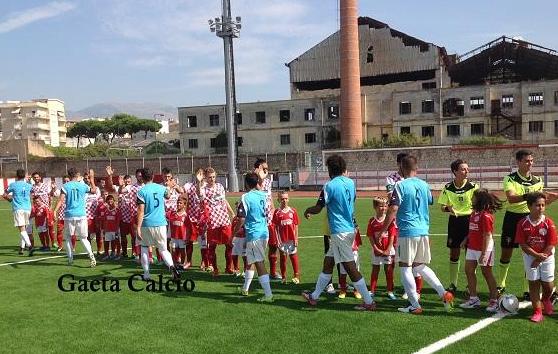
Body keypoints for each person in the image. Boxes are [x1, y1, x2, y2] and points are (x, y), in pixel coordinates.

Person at [379, 155, 453, 314]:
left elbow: (393, 209)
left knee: (405, 267)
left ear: (401, 169)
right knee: (420, 266)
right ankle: (443, 293)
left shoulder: (400, 185)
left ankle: (414, 305)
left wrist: (384, 229)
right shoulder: (424, 185)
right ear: (416, 168)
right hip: (423, 230)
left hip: (407, 231)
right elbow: (430, 201)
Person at [303, 155, 375, 311]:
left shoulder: (329, 186)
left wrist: (308, 210)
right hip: (348, 229)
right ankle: (314, 296)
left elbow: (318, 207)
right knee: (328, 262)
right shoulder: (350, 183)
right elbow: (352, 200)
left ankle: (368, 301)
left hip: (339, 232)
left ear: (330, 169)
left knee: (350, 267)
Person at [498, 150, 557, 300]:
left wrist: (551, 197)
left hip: (530, 218)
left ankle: (527, 290)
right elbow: (511, 199)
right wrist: (529, 195)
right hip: (512, 217)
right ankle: (501, 284)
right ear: (518, 162)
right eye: (526, 161)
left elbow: (540, 201)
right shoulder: (509, 179)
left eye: (531, 160)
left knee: (529, 253)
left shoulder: (537, 180)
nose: (530, 163)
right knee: (506, 252)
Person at [437, 159, 479, 294]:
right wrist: (448, 208)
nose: (467, 171)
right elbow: (442, 207)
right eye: (463, 169)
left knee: (470, 254)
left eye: (467, 169)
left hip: (470, 221)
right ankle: (453, 283)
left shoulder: (473, 187)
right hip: (455, 222)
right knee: (454, 253)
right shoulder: (448, 187)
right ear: (455, 171)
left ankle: (469, 285)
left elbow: (478, 205)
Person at [515, 192, 557, 322]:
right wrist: (535, 256)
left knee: (548, 285)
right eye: (537, 205)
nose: (541, 208)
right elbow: (523, 244)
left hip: (547, 257)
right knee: (533, 284)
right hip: (530, 257)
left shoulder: (548, 223)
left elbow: (551, 244)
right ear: (529, 206)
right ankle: (537, 311)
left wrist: (539, 258)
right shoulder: (522, 223)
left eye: (543, 205)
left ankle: (545, 299)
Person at [386, 152, 422, 299]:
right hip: (398, 222)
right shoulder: (392, 178)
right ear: (399, 164)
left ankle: (415, 291)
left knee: (414, 261)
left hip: (410, 223)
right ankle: (406, 288)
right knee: (401, 259)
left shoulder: (414, 180)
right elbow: (391, 198)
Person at [459, 189, 502, 312]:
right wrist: (465, 240)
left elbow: (487, 235)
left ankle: (494, 300)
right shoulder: (474, 213)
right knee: (468, 270)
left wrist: (484, 254)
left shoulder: (486, 216)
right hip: (472, 247)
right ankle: (473, 299)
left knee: (486, 273)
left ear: (479, 199)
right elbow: (472, 229)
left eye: (473, 196)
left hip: (484, 248)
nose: (471, 198)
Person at [235, 172, 274, 302]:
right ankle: (245, 288)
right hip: (264, 231)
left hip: (254, 233)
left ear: (246, 183)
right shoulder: (263, 194)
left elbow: (241, 219)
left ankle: (268, 295)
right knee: (251, 261)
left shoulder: (246, 197)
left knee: (258, 262)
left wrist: (234, 232)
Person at [136, 168, 180, 280]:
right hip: (161, 223)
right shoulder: (161, 188)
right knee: (163, 249)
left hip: (147, 224)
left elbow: (141, 211)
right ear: (153, 176)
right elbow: (168, 196)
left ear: (143, 178)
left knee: (145, 248)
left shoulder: (141, 191)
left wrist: (138, 227)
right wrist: (169, 186)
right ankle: (172, 267)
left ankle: (146, 274)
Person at [54, 168, 98, 267]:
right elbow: (94, 190)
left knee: (68, 238)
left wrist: (55, 210)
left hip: (70, 215)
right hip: (81, 215)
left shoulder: (65, 186)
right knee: (83, 238)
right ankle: (91, 257)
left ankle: (70, 259)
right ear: (77, 175)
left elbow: (61, 200)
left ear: (69, 176)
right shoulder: (83, 185)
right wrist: (91, 178)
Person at [201, 167, 234, 276]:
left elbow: (224, 200)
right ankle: (215, 269)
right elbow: (199, 195)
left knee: (229, 244)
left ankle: (228, 267)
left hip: (224, 219)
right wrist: (198, 182)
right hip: (213, 221)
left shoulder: (220, 186)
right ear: (206, 178)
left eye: (214, 177)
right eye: (210, 177)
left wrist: (232, 213)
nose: (212, 179)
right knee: (212, 246)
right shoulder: (204, 189)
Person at [254, 158, 281, 280]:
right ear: (257, 169)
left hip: (269, 218)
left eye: (267, 169)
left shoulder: (268, 181)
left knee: (273, 245)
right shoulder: (252, 180)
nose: (266, 171)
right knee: (258, 247)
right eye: (263, 168)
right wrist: (260, 178)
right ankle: (259, 273)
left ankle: (273, 272)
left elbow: (269, 198)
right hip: (258, 220)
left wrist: (274, 212)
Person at [367, 197, 397, 300]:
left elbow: (392, 235)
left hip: (388, 250)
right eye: (380, 206)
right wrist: (375, 248)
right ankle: (372, 290)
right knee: (375, 270)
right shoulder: (372, 221)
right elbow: (370, 236)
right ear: (375, 207)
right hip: (376, 251)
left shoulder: (390, 220)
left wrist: (388, 249)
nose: (383, 208)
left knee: (389, 270)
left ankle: (390, 291)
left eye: (385, 206)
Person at [3, 169, 35, 256]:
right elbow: (33, 194)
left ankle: (30, 246)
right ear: (24, 176)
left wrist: (10, 200)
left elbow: (4, 194)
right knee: (23, 228)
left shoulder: (13, 185)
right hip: (27, 209)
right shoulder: (28, 185)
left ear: (16, 176)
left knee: (22, 229)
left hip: (18, 209)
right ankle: (21, 248)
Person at [272, 191, 301, 284]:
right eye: (282, 199)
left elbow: (296, 225)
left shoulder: (293, 211)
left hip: (291, 239)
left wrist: (296, 238)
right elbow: (275, 227)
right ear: (278, 200)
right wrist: (277, 240)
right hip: (282, 239)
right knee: (283, 258)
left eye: (286, 198)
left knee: (293, 256)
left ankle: (296, 276)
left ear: (288, 199)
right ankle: (284, 277)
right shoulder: (277, 212)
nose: (284, 200)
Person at [184, 168, 209, 270]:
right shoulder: (189, 186)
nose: (200, 175)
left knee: (203, 241)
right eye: (198, 173)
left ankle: (204, 261)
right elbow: (183, 194)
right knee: (189, 240)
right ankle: (189, 261)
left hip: (203, 219)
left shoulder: (207, 187)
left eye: (202, 173)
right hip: (191, 217)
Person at [30, 171, 56, 250]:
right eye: (34, 177)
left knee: (50, 227)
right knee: (40, 229)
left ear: (40, 178)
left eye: (37, 177)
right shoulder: (32, 187)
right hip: (38, 211)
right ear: (33, 178)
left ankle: (53, 243)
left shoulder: (45, 186)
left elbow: (51, 195)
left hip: (46, 209)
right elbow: (32, 198)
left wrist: (53, 189)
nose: (36, 178)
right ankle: (44, 245)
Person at [166, 196, 190, 267]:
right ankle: (174, 263)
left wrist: (187, 237)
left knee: (182, 250)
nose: (178, 204)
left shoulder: (186, 215)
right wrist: (169, 235)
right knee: (173, 250)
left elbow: (188, 228)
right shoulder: (173, 214)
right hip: (174, 236)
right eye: (178, 203)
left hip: (182, 236)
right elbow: (170, 225)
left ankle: (182, 264)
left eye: (180, 203)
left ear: (184, 205)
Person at [54, 176, 73, 252]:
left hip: (70, 215)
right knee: (59, 231)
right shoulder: (61, 191)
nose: (66, 183)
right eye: (64, 182)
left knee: (72, 232)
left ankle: (73, 247)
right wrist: (55, 211)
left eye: (67, 181)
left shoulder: (72, 191)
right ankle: (60, 246)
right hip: (61, 215)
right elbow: (55, 195)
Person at [100, 194, 121, 260]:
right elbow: (104, 220)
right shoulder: (105, 210)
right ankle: (106, 254)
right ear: (106, 201)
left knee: (116, 242)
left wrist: (117, 229)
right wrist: (103, 229)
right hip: (107, 229)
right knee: (106, 242)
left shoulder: (117, 210)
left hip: (115, 229)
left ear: (114, 200)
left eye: (111, 199)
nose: (110, 201)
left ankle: (117, 254)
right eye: (108, 200)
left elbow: (118, 220)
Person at [231, 202, 247, 276]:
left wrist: (246, 239)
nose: (238, 209)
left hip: (243, 238)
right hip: (236, 238)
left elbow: (246, 229)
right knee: (234, 254)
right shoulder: (234, 218)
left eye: (238, 207)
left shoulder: (244, 218)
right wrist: (232, 237)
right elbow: (232, 228)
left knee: (244, 255)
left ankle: (245, 270)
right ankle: (236, 269)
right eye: (236, 208)